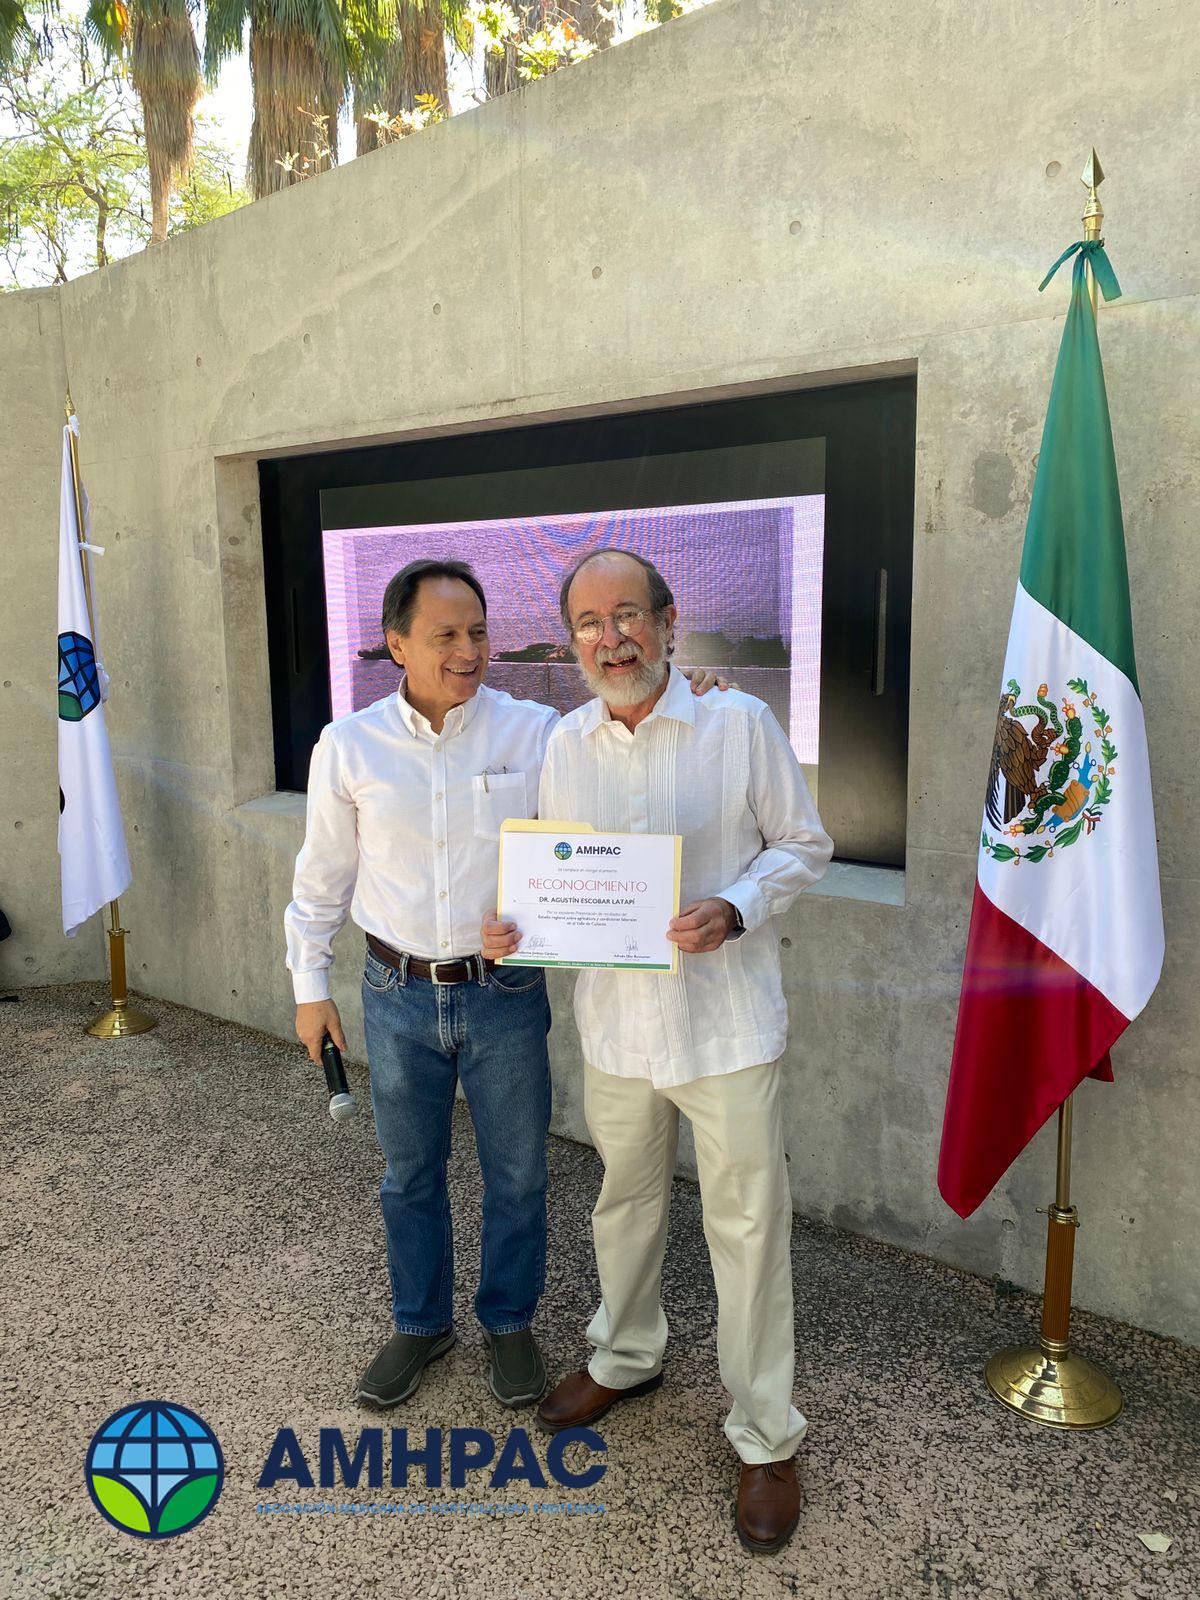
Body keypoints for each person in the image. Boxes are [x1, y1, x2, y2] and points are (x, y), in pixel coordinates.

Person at [285, 557, 728, 1414]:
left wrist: (693, 692)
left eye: (479, 632)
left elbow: (628, 714)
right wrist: (311, 986)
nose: (469, 650)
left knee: (519, 1173)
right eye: (446, 635)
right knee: (409, 1174)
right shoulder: (348, 748)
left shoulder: (537, 732)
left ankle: (508, 1320)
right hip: (397, 990)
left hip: (506, 995)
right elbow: (320, 884)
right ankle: (420, 1323)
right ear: (396, 644)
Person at [483, 548, 833, 1553]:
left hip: (725, 1024)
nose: (611, 637)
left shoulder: (739, 724)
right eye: (589, 622)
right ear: (571, 641)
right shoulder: (566, 742)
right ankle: (627, 1351)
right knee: (623, 1199)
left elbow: (803, 845)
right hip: (621, 1028)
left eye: (628, 613)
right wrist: (517, 925)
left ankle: (766, 1433)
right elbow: (555, 871)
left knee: (749, 1225)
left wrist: (737, 904)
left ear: (670, 620)